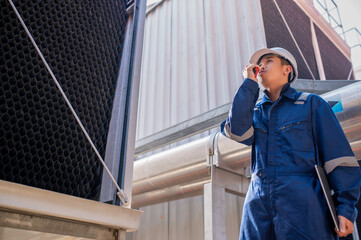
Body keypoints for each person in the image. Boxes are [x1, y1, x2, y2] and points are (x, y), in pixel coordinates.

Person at [219, 47, 361, 239]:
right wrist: (248, 84)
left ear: (287, 70)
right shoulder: (255, 113)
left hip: (302, 205)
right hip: (257, 206)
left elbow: (338, 158)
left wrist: (346, 207)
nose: (261, 66)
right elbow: (236, 131)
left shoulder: (312, 104)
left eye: (268, 61)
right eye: (259, 63)